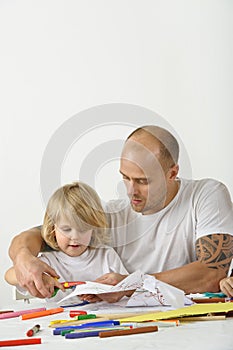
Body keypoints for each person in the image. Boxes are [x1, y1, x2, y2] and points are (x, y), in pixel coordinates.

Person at [8, 125, 233, 300]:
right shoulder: (111, 215)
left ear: (172, 173)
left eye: (142, 181)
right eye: (125, 177)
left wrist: (130, 284)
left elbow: (211, 274)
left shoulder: (205, 195)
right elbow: (40, 234)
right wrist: (23, 258)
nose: (131, 191)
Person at [5, 181, 128, 302]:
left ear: (94, 229)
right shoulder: (48, 261)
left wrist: (119, 288)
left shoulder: (106, 255)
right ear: (53, 228)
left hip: (105, 318)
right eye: (66, 229)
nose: (74, 237)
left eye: (83, 229)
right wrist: (40, 276)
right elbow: (9, 276)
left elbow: (130, 286)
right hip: (58, 320)